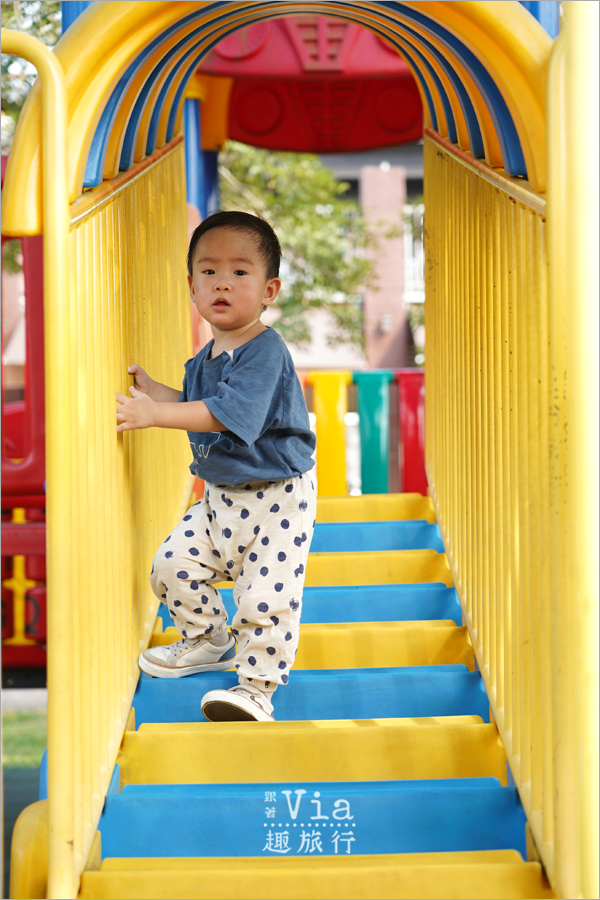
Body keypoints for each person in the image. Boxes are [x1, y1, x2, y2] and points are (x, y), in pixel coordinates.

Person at [116, 211, 317, 722]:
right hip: (221, 496)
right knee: (171, 566)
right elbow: (195, 400)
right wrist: (156, 392)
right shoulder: (204, 358)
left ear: (269, 289)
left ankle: (255, 688)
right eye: (208, 271)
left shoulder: (264, 351)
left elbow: (223, 416)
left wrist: (155, 414)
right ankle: (208, 638)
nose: (222, 282)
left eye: (240, 272)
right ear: (191, 286)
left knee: (264, 596)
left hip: (277, 499)